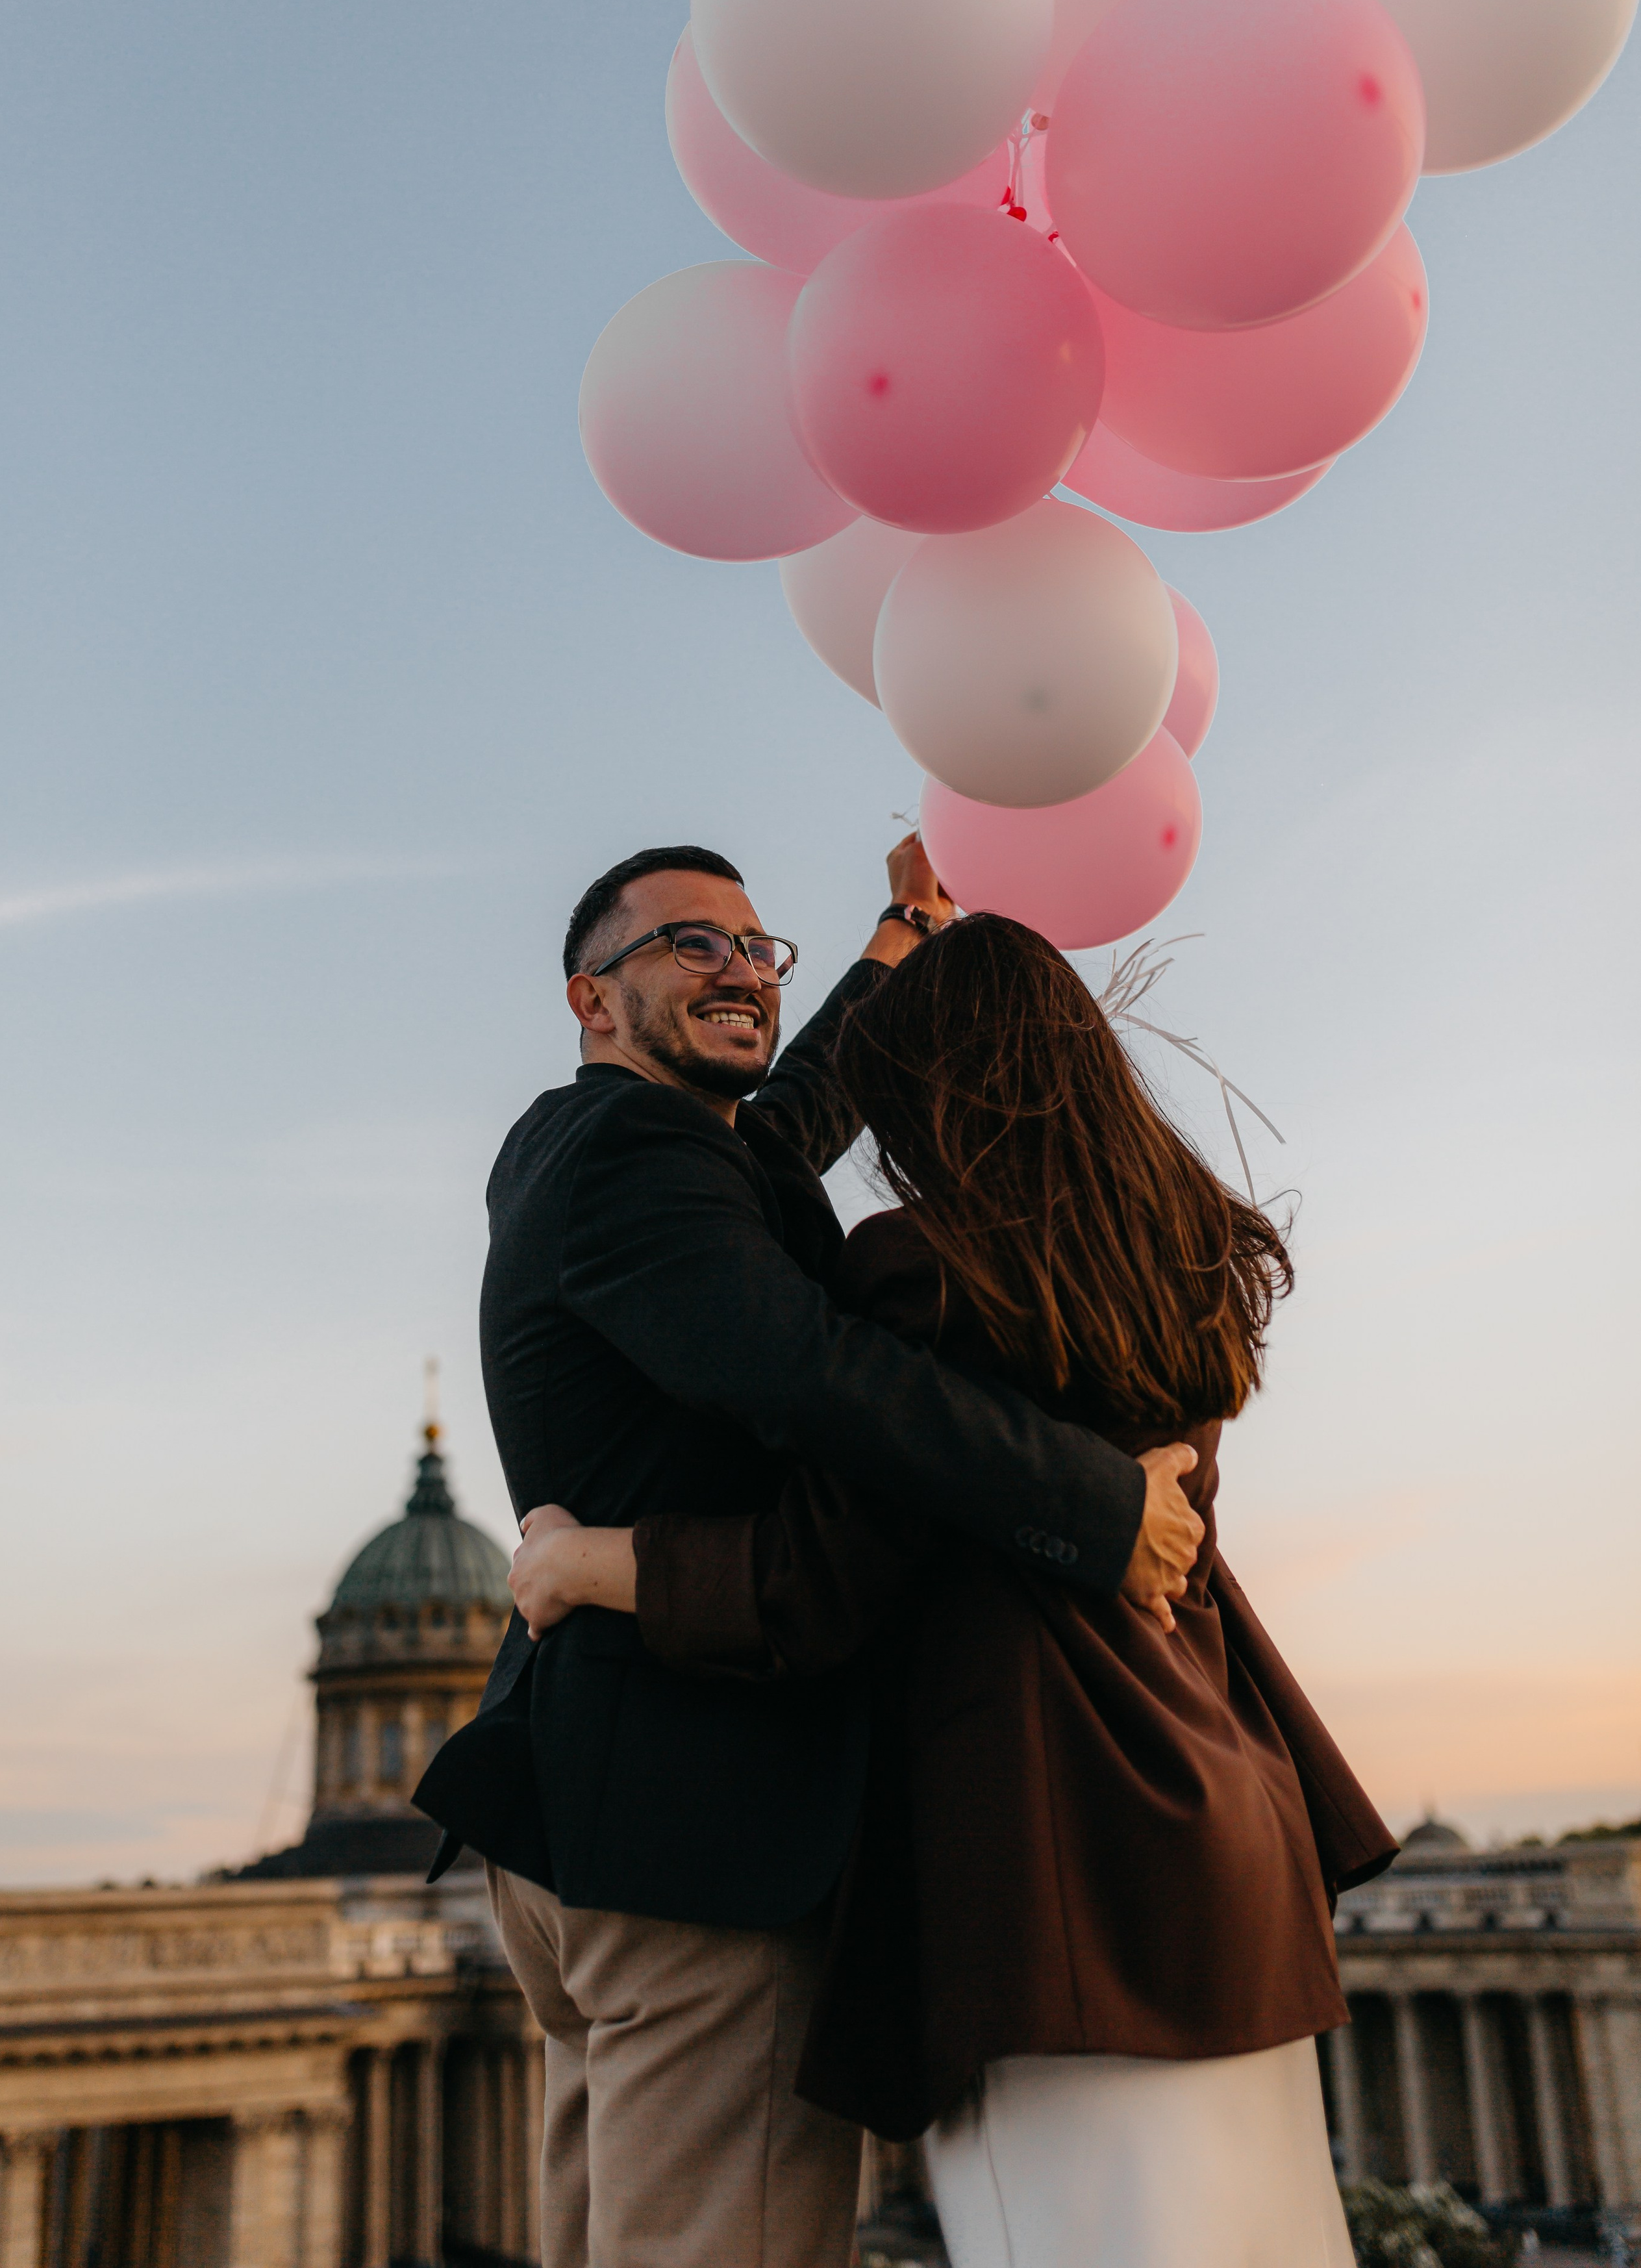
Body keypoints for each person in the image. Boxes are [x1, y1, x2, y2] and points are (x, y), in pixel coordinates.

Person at [514, 912, 1399, 2268]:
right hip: (1227, 1824)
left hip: (1042, 1857)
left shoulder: (923, 1270)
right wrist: (876, 962)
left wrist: (582, 1562)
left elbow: (812, 1578)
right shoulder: (1188, 1253)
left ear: (927, 1084)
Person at [414, 844, 1207, 2268]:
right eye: (688, 945)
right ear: (591, 997)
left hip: (584, 1813)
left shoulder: (593, 1149)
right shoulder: (636, 1156)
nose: (737, 968)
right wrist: (1093, 1509)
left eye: (753, 946)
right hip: (698, 1829)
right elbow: (810, 1370)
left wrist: (897, 935)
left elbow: (779, 1131)